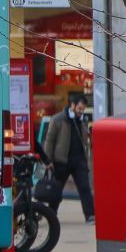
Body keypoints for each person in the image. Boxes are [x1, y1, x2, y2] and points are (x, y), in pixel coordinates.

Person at [41, 92, 95, 223]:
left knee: (84, 187)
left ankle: (90, 215)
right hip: (61, 161)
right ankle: (52, 214)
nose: (80, 112)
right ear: (72, 105)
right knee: (57, 190)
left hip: (78, 160)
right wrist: (47, 160)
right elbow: (50, 141)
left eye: (83, 110)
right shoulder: (58, 119)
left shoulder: (83, 120)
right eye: (79, 109)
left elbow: (84, 140)